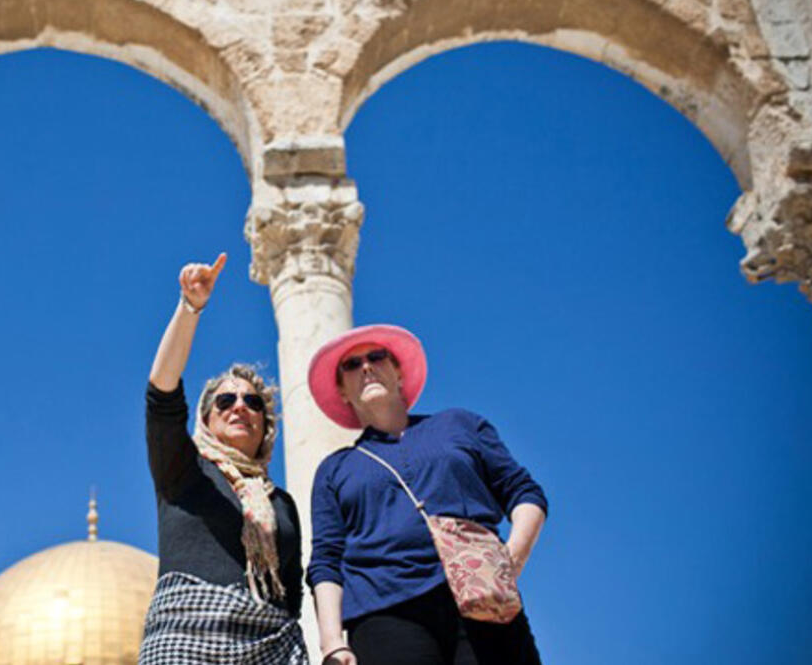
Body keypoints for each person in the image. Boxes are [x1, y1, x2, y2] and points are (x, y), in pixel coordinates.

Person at [306, 324, 547, 665]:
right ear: (342, 391)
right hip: (384, 616)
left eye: (377, 356)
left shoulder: (459, 425)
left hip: (483, 597)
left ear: (399, 372)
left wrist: (511, 560)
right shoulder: (334, 469)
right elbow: (326, 560)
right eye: (352, 364)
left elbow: (523, 492)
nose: (367, 367)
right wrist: (332, 643)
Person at [139, 252, 307, 665]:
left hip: (271, 648)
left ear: (266, 425)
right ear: (206, 418)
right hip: (187, 642)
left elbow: (292, 594)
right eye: (225, 400)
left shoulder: (281, 503)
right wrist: (190, 307)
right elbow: (161, 394)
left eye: (253, 402)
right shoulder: (183, 469)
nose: (240, 407)